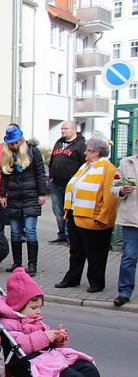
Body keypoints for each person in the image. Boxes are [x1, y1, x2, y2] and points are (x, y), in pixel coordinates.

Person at [0, 268, 115, 377]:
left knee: (87, 368)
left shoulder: (34, 320)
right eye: (34, 307)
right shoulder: (9, 324)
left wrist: (58, 338)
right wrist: (47, 336)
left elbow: (46, 341)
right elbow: (22, 345)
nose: (38, 311)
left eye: (40, 307)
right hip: (27, 365)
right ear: (18, 306)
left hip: (47, 358)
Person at [55, 138, 118, 293]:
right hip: (76, 215)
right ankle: (72, 278)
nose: (85, 153)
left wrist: (103, 218)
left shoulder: (108, 169)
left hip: (93, 219)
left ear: (97, 152)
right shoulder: (85, 166)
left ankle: (96, 282)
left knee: (96, 254)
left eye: (89, 150)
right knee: (76, 251)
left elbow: (110, 198)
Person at [0, 125, 46, 275]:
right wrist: (2, 195)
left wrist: (42, 194)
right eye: (11, 143)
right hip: (14, 197)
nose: (14, 146)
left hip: (31, 196)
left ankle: (32, 265)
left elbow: (40, 173)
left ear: (21, 140)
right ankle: (17, 263)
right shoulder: (7, 155)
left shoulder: (33, 151)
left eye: (16, 142)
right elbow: (4, 176)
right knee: (15, 231)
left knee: (30, 230)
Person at [49, 121, 86, 244]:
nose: (63, 131)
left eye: (66, 128)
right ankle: (61, 234)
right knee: (57, 210)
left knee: (69, 210)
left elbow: (83, 164)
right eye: (62, 128)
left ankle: (70, 236)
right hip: (56, 182)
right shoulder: (59, 142)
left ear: (74, 129)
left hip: (71, 184)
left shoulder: (81, 144)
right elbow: (52, 159)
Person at [112, 145, 138, 307]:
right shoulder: (126, 163)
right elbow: (113, 187)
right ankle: (125, 291)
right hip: (131, 219)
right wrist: (122, 190)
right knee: (129, 256)